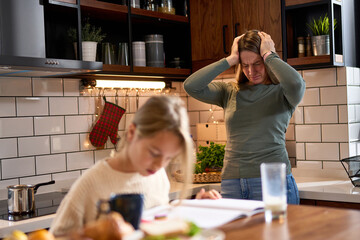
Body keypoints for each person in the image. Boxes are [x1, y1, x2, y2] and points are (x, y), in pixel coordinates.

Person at [50, 95, 221, 236]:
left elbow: (157, 221)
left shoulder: (158, 175)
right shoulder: (91, 183)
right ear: (132, 133)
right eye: (154, 153)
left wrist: (196, 208)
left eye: (168, 158)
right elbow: (55, 237)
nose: (159, 164)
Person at [183, 30, 305, 204]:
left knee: (277, 231)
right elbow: (191, 86)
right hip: (232, 184)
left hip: (272, 181)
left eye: (257, 63)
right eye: (244, 64)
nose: (251, 70)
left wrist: (269, 54)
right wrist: (230, 60)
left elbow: (296, 83)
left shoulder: (283, 92)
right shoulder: (229, 91)